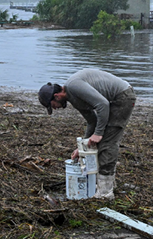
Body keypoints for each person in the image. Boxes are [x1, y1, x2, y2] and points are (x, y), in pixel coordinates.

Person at [39, 69, 136, 199]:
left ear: (56, 96)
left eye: (53, 105)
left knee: (107, 143)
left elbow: (103, 105)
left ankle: (105, 193)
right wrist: (83, 148)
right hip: (115, 100)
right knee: (102, 143)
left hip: (123, 97)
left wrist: (99, 133)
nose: (55, 108)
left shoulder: (73, 86)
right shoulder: (73, 98)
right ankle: (108, 184)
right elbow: (92, 121)